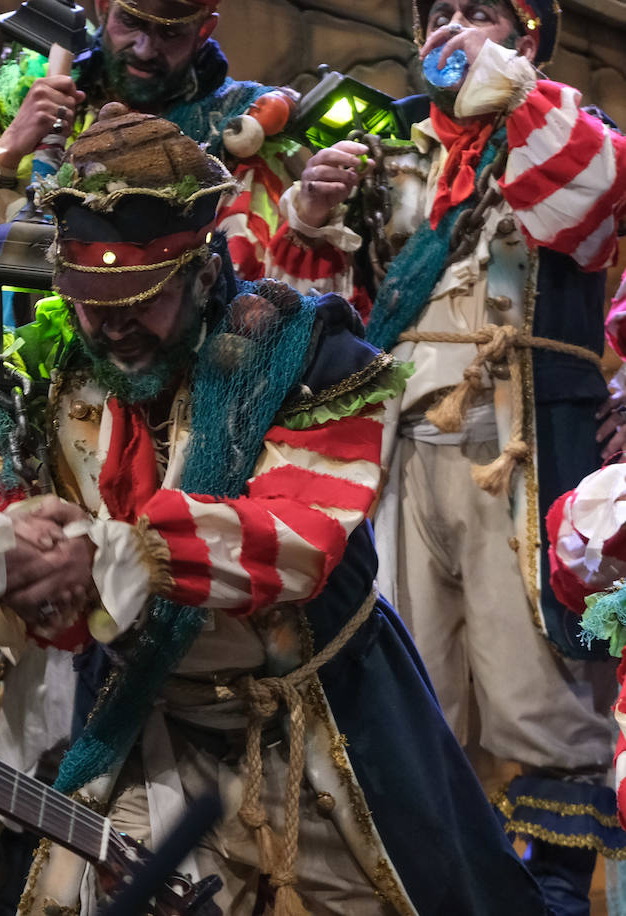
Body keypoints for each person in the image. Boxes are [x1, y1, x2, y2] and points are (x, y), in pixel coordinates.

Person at [0, 104, 546, 914]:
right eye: (90, 300)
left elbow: (300, 538)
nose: (113, 327)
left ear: (203, 274)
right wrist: (6, 549)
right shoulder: (52, 375)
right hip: (157, 725)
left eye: (141, 297)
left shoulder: (311, 354)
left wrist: (115, 556)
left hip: (326, 724)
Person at [266, 1, 626, 908]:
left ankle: (551, 896)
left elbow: (589, 204)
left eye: (480, 13)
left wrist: (504, 85)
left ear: (527, 37)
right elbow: (324, 322)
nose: (453, 27)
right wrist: (313, 214)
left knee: (541, 691)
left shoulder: (567, 125)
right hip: (400, 455)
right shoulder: (391, 155)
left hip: (523, 446)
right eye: (441, 13)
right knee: (414, 687)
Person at [0, 0, 299, 318]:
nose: (145, 48)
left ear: (203, 30)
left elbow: (260, 296)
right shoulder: (28, 100)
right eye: (131, 21)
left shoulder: (237, 134)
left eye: (170, 32)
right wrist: (12, 145)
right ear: (103, 6)